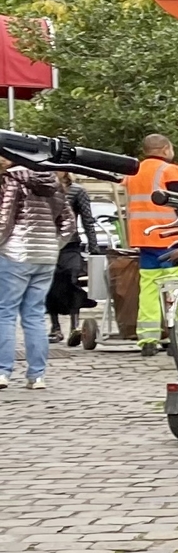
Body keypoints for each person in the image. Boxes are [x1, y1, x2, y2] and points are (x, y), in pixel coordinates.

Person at [0, 149, 74, 389]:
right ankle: (37, 375)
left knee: (5, 312)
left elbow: (4, 218)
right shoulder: (53, 181)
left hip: (15, 253)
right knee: (34, 314)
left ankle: (3, 371)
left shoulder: (12, 179)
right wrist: (54, 245)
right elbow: (68, 224)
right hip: (45, 256)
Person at [122, 135, 178, 351]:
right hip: (170, 237)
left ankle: (148, 340)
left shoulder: (134, 172)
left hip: (143, 239)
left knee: (149, 290)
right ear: (164, 149)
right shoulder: (170, 171)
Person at [45, 175, 101, 347]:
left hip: (71, 245)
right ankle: (55, 327)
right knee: (51, 284)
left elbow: (87, 219)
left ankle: (75, 326)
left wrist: (94, 246)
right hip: (47, 243)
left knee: (72, 280)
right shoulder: (42, 188)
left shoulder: (77, 191)